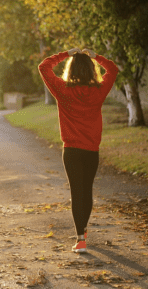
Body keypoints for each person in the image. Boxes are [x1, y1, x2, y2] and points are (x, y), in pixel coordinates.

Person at [38, 48, 119, 253]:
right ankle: (83, 228)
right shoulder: (99, 91)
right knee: (87, 190)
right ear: (92, 70)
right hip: (91, 150)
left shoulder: (62, 90)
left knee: (77, 192)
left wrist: (66, 54)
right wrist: (96, 56)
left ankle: (80, 239)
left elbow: (44, 67)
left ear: (70, 69)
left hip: (72, 150)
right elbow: (113, 69)